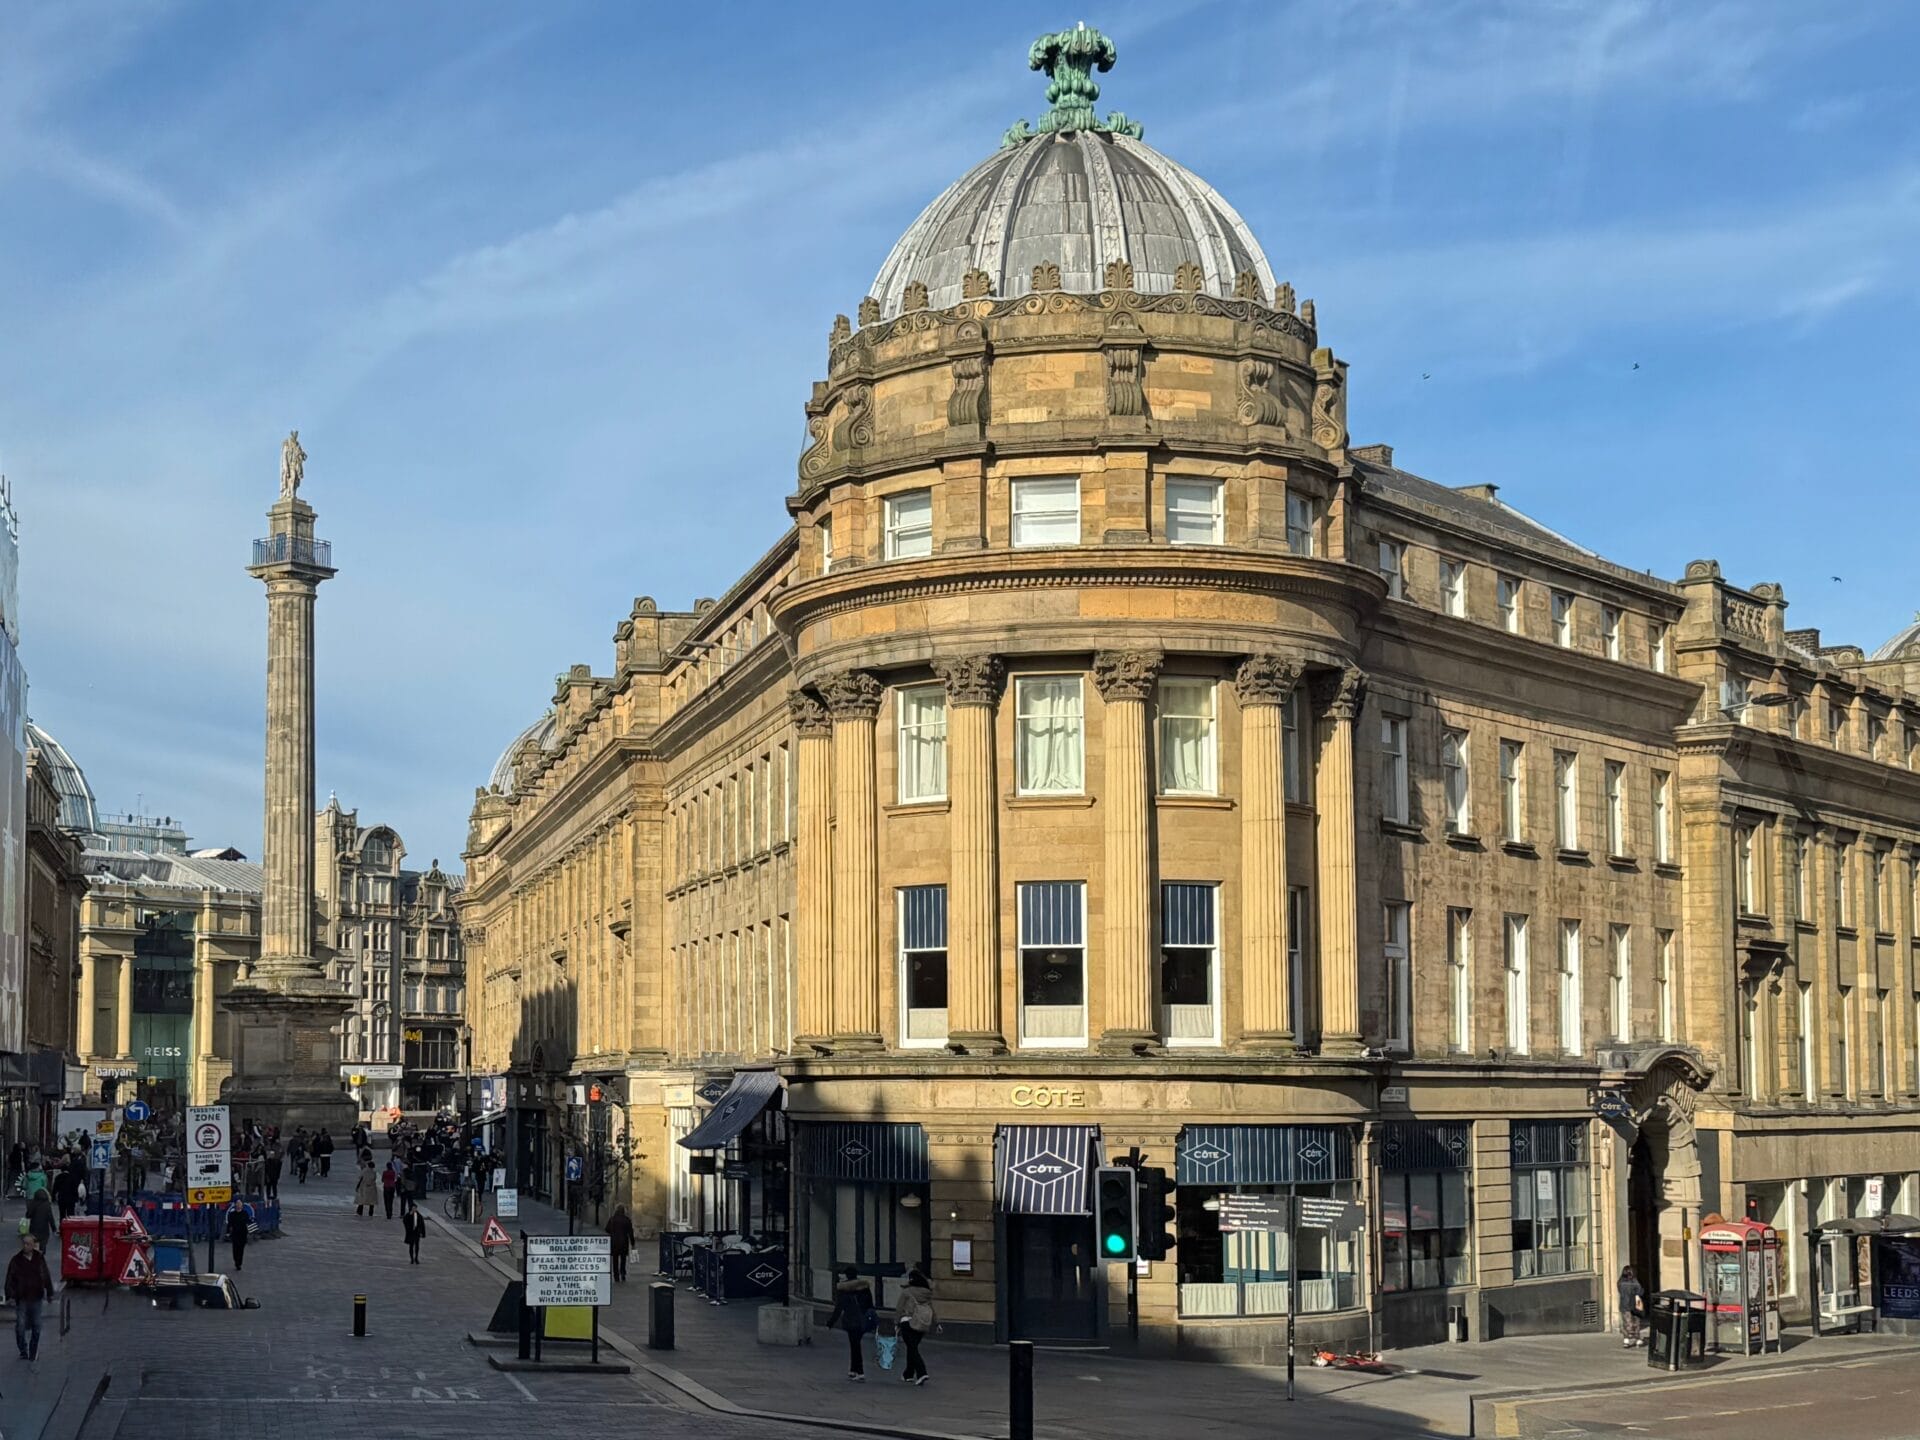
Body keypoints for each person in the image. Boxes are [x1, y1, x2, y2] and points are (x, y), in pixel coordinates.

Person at [6, 1232, 54, 1362]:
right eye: (24, 1243)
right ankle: (23, 1350)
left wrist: (49, 1292)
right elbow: (10, 1278)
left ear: (33, 1245)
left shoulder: (39, 1258)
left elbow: (45, 1275)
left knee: (37, 1326)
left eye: (28, 1244)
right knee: (20, 1326)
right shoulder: (16, 1260)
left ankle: (33, 1350)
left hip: (36, 1297)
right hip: (22, 1298)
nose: (25, 1246)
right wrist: (9, 1295)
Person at [826, 1265, 874, 1381]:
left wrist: (831, 1322)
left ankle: (860, 1371)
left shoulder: (844, 1289)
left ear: (847, 1275)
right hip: (863, 1319)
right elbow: (870, 1304)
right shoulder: (864, 1287)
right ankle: (853, 1369)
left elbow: (839, 1307)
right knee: (855, 1345)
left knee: (855, 1346)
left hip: (851, 1319)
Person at [896, 1268, 935, 1386]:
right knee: (912, 1347)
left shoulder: (907, 1292)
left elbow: (899, 1308)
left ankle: (922, 1372)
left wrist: (896, 1323)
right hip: (922, 1322)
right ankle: (908, 1374)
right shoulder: (927, 1293)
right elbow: (932, 1309)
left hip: (907, 1322)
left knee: (912, 1349)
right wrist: (937, 1323)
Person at [1618, 1265, 1646, 1347]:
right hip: (1634, 1305)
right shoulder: (1634, 1281)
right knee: (1636, 1322)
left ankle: (1626, 1340)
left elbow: (1620, 1291)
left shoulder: (1620, 1282)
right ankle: (1637, 1339)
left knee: (1626, 1322)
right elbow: (1640, 1291)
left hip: (1624, 1305)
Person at [606, 1206, 634, 1282]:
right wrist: (633, 1243)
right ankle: (623, 1273)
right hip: (624, 1242)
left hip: (614, 1242)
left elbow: (607, 1229)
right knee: (623, 1259)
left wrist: (613, 1233)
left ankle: (616, 1276)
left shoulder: (612, 1219)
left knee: (615, 1260)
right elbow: (630, 1232)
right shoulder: (627, 1220)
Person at [24, 1186, 56, 1252]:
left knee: (35, 1243)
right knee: (43, 1243)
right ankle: (42, 1252)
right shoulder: (47, 1205)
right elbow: (50, 1217)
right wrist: (54, 1228)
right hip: (44, 1229)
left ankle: (36, 1254)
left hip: (34, 1228)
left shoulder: (33, 1203)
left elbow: (28, 1215)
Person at [226, 1203, 251, 1272]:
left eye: (240, 1205)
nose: (238, 1206)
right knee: (235, 1249)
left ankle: (239, 1263)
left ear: (242, 1206)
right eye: (237, 1205)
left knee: (241, 1249)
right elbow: (229, 1223)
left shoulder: (245, 1213)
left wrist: (250, 1232)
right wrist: (228, 1232)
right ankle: (236, 1260)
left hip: (243, 1233)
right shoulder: (232, 1214)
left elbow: (248, 1222)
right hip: (235, 1233)